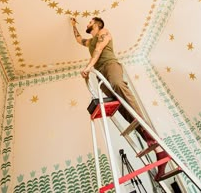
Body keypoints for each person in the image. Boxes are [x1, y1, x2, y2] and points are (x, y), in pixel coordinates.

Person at [71, 16, 169, 181]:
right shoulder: (91, 41)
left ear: (97, 24)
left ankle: (149, 130)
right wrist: (73, 25)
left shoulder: (104, 33)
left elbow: (98, 51)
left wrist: (88, 67)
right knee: (121, 108)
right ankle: (159, 152)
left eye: (89, 22)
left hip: (110, 66)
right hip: (101, 73)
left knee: (117, 85)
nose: (87, 24)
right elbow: (79, 39)